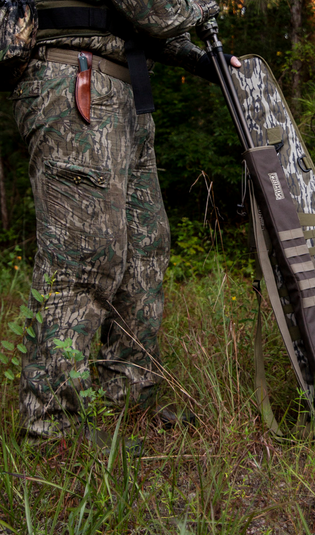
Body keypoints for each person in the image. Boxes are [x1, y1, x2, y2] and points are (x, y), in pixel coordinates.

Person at [12, 0, 240, 443]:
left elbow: (143, 24)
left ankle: (129, 394)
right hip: (73, 84)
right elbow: (161, 9)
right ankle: (51, 425)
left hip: (123, 92)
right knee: (83, 255)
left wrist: (205, 61)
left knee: (145, 247)